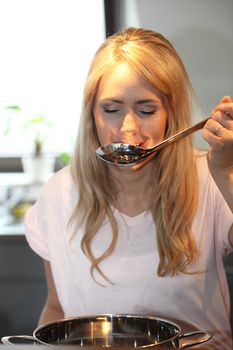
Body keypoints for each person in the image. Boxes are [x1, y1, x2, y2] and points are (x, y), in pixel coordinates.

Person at [25, 27, 233, 349]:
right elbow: (57, 308)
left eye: (147, 110)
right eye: (111, 109)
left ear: (171, 113)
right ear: (91, 113)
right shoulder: (58, 195)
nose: (128, 128)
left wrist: (226, 171)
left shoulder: (211, 179)